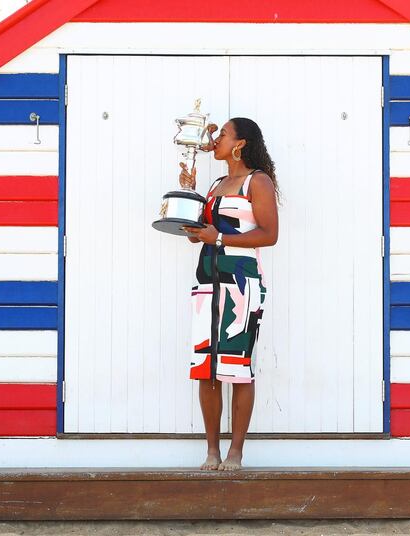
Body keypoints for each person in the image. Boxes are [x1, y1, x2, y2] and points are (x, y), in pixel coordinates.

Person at [180, 117, 279, 471]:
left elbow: (269, 235)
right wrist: (190, 196)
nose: (216, 138)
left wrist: (219, 238)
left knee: (237, 368)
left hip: (241, 282)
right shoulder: (217, 184)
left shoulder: (258, 181)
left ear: (239, 144)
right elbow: (198, 234)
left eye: (222, 133)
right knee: (206, 367)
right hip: (207, 278)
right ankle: (212, 451)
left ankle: (235, 452)